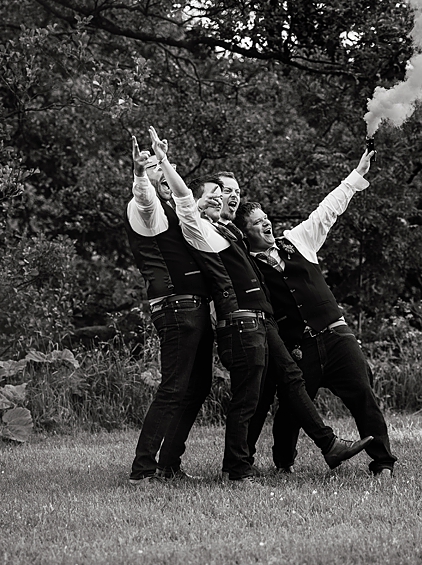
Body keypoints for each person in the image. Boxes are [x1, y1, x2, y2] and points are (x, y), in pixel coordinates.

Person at [146, 126, 371, 483]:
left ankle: (328, 445)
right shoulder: (199, 230)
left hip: (262, 320)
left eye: (230, 194)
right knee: (248, 399)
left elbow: (321, 216)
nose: (224, 199)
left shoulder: (232, 233)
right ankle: (234, 467)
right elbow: (184, 202)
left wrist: (355, 178)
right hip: (240, 321)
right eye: (217, 194)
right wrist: (161, 162)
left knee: (292, 381)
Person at [236, 148, 397, 480]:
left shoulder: (297, 240)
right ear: (246, 232)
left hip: (337, 337)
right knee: (292, 409)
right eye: (256, 222)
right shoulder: (246, 265)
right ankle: (284, 463)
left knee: (364, 396)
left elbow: (327, 211)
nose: (265, 222)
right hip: (299, 348)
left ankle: (382, 463)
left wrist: (356, 175)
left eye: (265, 217)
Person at [123, 136, 215, 486]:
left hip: (195, 307)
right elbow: (146, 201)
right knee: (174, 387)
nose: (159, 173)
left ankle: (168, 463)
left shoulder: (174, 209)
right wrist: (140, 174)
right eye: (153, 170)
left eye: (161, 169)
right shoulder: (145, 211)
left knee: (198, 386)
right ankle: (142, 468)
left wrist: (162, 162)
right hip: (176, 307)